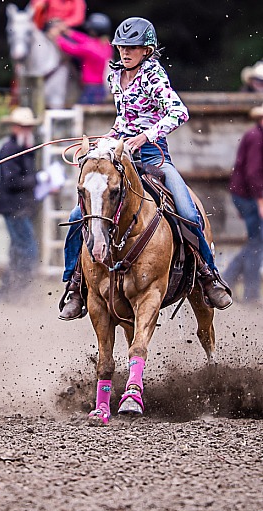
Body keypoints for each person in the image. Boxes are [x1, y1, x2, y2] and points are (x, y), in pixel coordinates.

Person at [59, 16, 233, 320]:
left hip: (154, 157)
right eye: (122, 46)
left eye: (132, 47)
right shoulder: (115, 76)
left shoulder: (154, 76)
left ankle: (208, 275)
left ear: (147, 50)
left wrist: (144, 136)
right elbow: (123, 120)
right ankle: (74, 285)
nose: (125, 52)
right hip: (121, 154)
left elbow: (178, 112)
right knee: (79, 215)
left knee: (188, 211)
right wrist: (109, 139)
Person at [0, 107, 42, 303]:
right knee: (27, 250)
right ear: (15, 128)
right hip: (15, 208)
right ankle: (18, 291)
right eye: (23, 126)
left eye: (29, 127)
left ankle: (8, 292)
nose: (27, 130)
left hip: (19, 208)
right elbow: (11, 181)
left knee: (19, 249)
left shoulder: (23, 149)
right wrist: (38, 179)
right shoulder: (10, 149)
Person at [223, 103, 263, 303]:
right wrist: (261, 201)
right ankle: (250, 292)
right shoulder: (256, 137)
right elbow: (253, 174)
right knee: (257, 241)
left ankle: (228, 280)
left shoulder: (255, 135)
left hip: (246, 195)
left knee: (256, 241)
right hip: (250, 196)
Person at [55, 12, 113, 105]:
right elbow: (85, 39)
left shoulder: (90, 48)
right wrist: (68, 32)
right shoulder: (105, 45)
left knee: (83, 112)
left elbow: (71, 48)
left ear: (93, 32)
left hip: (91, 89)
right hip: (99, 87)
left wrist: (56, 36)